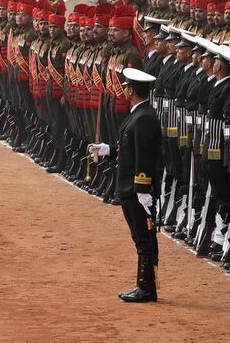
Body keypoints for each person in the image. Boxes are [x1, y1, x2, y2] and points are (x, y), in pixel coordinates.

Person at [89, 68, 162, 302]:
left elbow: (144, 158)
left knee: (144, 238)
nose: (124, 90)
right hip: (131, 188)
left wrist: (142, 189)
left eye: (126, 87)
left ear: (131, 90)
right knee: (139, 237)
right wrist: (108, 150)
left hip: (136, 190)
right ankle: (144, 285)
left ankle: (147, 287)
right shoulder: (138, 115)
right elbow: (129, 151)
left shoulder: (144, 118)